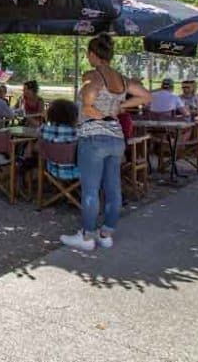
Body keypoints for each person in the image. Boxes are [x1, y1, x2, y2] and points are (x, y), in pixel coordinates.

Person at [60, 34, 150, 252]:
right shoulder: (120, 78)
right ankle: (106, 233)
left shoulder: (93, 75)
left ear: (93, 54)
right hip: (116, 137)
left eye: (88, 54)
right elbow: (146, 96)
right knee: (113, 188)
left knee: (90, 190)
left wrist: (93, 111)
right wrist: (120, 107)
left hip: (93, 137)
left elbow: (89, 100)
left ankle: (87, 237)